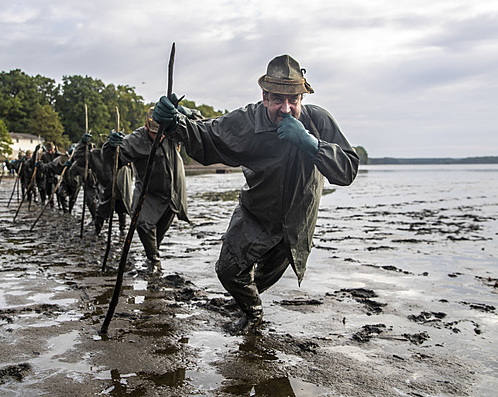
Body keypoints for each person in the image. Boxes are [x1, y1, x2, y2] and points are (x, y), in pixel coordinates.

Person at [153, 54, 359, 334]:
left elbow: (347, 169)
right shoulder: (247, 121)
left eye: (293, 100)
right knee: (228, 270)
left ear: (302, 98)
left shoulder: (318, 121)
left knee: (262, 279)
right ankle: (253, 314)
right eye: (277, 99)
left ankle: (246, 305)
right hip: (256, 214)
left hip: (295, 223)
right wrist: (175, 123)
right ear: (264, 96)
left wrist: (310, 144)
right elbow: (208, 137)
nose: (285, 109)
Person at [104, 107, 194, 273]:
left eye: (161, 133)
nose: (159, 137)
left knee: (158, 233)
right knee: (142, 222)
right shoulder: (135, 139)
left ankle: (152, 252)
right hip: (149, 192)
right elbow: (114, 162)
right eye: (154, 133)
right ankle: (154, 260)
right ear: (146, 127)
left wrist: (188, 114)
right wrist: (110, 147)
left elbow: (199, 129)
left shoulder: (172, 131)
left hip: (174, 191)